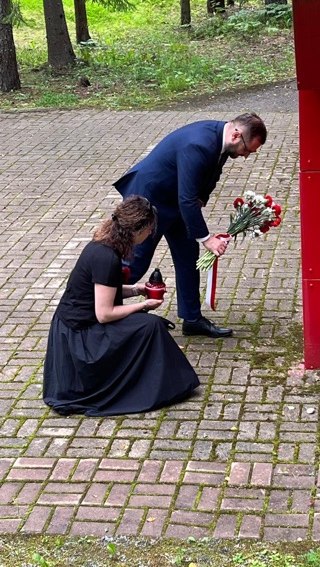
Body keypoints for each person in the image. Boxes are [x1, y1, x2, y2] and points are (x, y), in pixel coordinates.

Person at [113, 112, 268, 338]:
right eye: (247, 150)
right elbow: (186, 199)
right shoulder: (199, 144)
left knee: (188, 257)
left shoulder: (222, 141)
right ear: (236, 135)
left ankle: (192, 319)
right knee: (135, 263)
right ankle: (101, 310)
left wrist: (202, 197)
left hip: (175, 200)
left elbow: (211, 174)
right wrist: (207, 239)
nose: (245, 156)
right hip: (149, 199)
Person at [43, 195, 200, 417]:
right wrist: (144, 305)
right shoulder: (107, 258)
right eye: (150, 229)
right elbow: (105, 314)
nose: (151, 234)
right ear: (138, 229)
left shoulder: (103, 245)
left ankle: (153, 381)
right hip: (81, 339)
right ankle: (157, 388)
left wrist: (137, 290)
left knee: (146, 324)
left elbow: (105, 289)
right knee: (151, 326)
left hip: (72, 328)